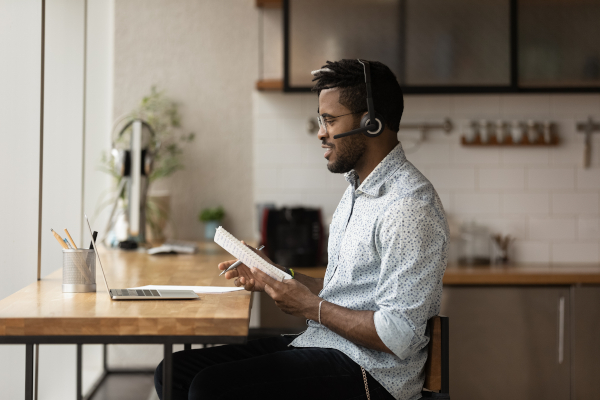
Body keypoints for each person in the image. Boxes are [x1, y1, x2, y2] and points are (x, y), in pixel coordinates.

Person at [154, 59, 449, 400]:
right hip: (328, 345)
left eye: (330, 120)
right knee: (174, 373)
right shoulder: (357, 190)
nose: (321, 132)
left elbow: (398, 334)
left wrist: (310, 307)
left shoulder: (408, 207)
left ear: (370, 123)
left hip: (373, 377)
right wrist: (276, 274)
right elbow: (349, 293)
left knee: (210, 389)